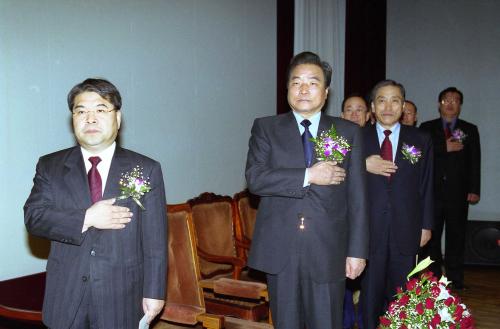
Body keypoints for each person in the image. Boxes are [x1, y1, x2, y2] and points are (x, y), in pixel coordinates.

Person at [24, 78, 167, 329]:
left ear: (118, 118)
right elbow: (34, 217)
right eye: (81, 111)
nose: (90, 119)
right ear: (73, 120)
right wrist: (87, 218)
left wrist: (155, 292)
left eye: (100, 110)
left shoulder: (144, 168)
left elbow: (155, 240)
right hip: (65, 295)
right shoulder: (50, 166)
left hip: (122, 294)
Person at [245, 51, 368, 329]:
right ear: (287, 88)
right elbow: (256, 178)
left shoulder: (347, 131)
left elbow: (358, 198)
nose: (303, 89)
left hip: (329, 249)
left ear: (325, 92)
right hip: (281, 250)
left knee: (326, 321)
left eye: (312, 83)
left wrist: (357, 251)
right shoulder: (266, 128)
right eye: (296, 82)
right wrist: (308, 175)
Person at [360, 80, 434, 328]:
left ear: (403, 106)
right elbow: (339, 180)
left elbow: (427, 185)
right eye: (381, 100)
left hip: (407, 227)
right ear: (372, 106)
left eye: (394, 100)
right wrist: (362, 165)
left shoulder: (421, 139)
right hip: (368, 230)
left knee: (403, 295)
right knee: (369, 294)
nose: (388, 106)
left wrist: (426, 225)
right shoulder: (358, 138)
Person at [419, 87, 481, 290]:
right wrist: (443, 147)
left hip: (458, 192)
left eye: (455, 100)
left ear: (460, 105)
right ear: (439, 104)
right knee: (432, 238)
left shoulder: (468, 129)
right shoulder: (427, 127)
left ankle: (455, 278)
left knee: (457, 235)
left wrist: (474, 188)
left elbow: (474, 161)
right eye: (446, 100)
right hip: (432, 192)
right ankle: (433, 277)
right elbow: (420, 154)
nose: (450, 103)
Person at [340, 94, 369, 329]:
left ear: (368, 116)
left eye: (360, 110)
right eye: (349, 109)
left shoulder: (377, 142)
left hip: (370, 222)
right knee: (343, 283)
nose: (354, 114)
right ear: (341, 115)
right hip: (340, 221)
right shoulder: (332, 142)